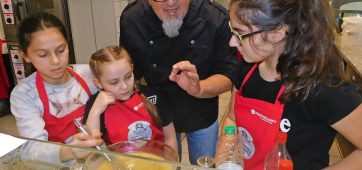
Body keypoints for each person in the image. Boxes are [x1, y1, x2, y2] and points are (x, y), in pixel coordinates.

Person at [221, 0, 362, 170]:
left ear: (278, 32)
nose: (232, 42)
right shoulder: (247, 67)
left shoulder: (321, 87)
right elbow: (232, 118)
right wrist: (226, 153)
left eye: (240, 34)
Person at [119, 0, 237, 164]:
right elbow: (131, 74)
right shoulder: (133, 19)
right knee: (168, 166)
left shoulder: (214, 17)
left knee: (204, 165)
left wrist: (199, 88)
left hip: (202, 111)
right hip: (160, 114)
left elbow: (228, 77)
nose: (171, 2)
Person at [10, 13, 103, 166]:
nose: (55, 61)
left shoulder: (88, 74)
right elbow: (31, 152)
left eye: (61, 50)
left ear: (68, 44)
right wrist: (69, 151)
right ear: (24, 55)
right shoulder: (24, 95)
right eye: (43, 54)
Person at [83, 45, 178, 152]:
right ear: (98, 83)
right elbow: (91, 148)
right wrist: (95, 112)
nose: (124, 86)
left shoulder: (153, 95)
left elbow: (170, 138)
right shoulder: (96, 104)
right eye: (114, 82)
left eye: (128, 76)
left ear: (132, 69)